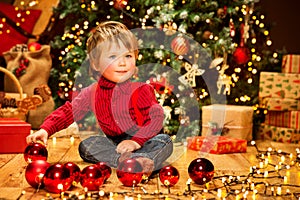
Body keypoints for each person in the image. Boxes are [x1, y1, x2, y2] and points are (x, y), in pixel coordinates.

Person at [26, 21, 173, 176]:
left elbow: (156, 119)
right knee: (87, 145)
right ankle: (130, 162)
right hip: (116, 144)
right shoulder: (92, 93)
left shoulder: (141, 90)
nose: (123, 63)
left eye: (128, 55)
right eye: (113, 56)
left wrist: (135, 142)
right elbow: (68, 111)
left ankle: (144, 158)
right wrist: (45, 129)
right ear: (96, 64)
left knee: (164, 141)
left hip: (145, 138)